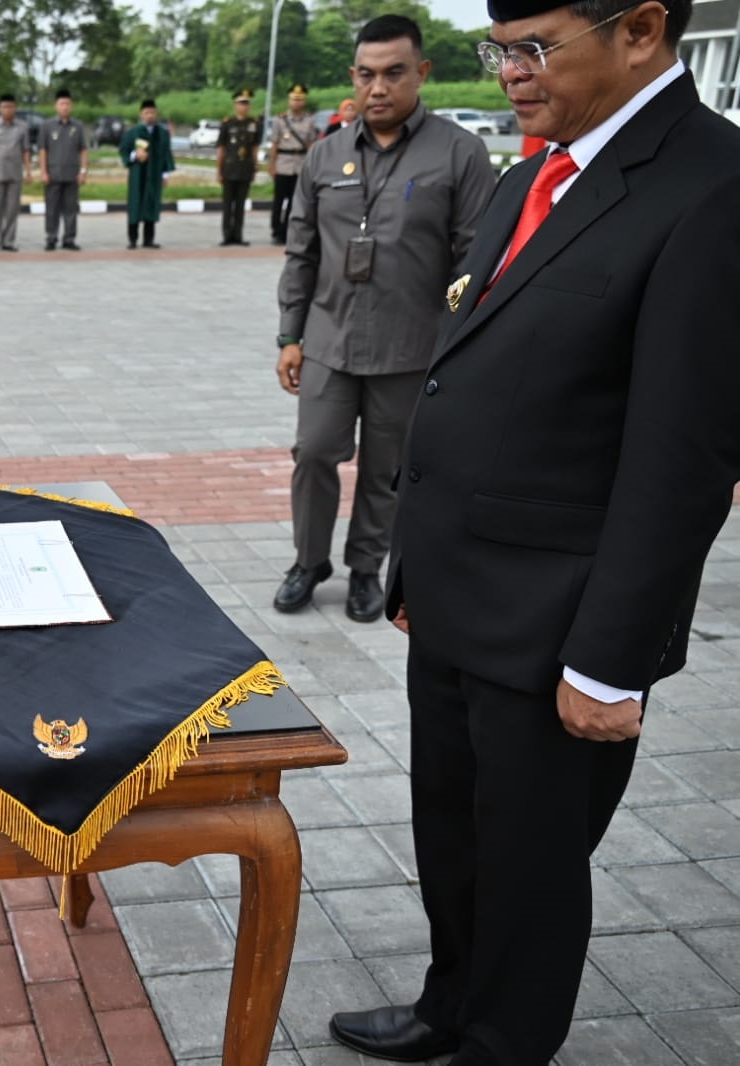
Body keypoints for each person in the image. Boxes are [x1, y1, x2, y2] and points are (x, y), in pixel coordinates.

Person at [326, 1, 740, 1063]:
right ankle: (450, 1002)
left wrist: (612, 661)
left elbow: (683, 455)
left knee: (530, 863)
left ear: (642, 29)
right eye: (497, 49)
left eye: (535, 48)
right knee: (454, 833)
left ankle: (503, 1042)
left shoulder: (711, 186)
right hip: (461, 594)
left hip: (563, 616)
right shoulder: (533, 176)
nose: (510, 72)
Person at [273, 15, 493, 622]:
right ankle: (308, 561)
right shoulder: (324, 156)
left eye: (394, 73)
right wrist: (290, 334)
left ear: (421, 73)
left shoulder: (459, 152)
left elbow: (471, 265)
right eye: (367, 75)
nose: (379, 88)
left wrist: (453, 344)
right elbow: (302, 253)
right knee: (314, 452)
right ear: (352, 77)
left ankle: (367, 569)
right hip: (328, 340)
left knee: (387, 470)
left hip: (412, 347)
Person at [118, 99, 173, 249]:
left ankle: (149, 239)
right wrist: (135, 155)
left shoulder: (162, 133)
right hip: (137, 174)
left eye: (152, 113)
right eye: (146, 113)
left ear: (156, 113)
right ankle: (132, 239)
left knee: (151, 205)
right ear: (141, 114)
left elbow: (166, 154)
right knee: (135, 205)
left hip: (154, 174)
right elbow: (123, 150)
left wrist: (165, 174)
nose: (150, 116)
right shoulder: (133, 132)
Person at [0, 93, 31, 253]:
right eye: (4, 107)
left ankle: (9, 241)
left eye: (10, 106)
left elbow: (26, 151)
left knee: (12, 210)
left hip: (15, 174)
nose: (7, 110)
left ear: (15, 108)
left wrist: (29, 171)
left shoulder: (22, 127)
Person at [40, 88, 88, 251]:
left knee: (71, 209)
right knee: (51, 209)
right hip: (53, 174)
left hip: (72, 175)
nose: (65, 107)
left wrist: (83, 171)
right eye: (62, 103)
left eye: (67, 104)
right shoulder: (47, 126)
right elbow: (42, 151)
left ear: (71, 106)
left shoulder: (78, 127)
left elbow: (83, 150)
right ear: (56, 106)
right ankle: (51, 237)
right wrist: (43, 172)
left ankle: (69, 238)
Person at [268, 84, 317, 244]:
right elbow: (274, 144)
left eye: (300, 99)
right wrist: (272, 165)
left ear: (304, 101)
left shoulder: (309, 120)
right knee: (279, 200)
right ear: (289, 101)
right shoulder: (280, 120)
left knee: (295, 201)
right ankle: (276, 229)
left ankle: (286, 230)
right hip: (283, 164)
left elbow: (311, 144)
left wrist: (312, 166)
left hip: (300, 165)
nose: (297, 102)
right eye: (294, 99)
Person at [216, 89, 261, 247]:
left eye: (247, 103)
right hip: (229, 168)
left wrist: (255, 166)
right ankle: (227, 235)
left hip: (245, 168)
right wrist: (219, 170)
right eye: (241, 103)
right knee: (228, 205)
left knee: (241, 205)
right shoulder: (228, 123)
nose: (244, 106)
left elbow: (255, 148)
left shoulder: (254, 124)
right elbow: (221, 148)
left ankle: (238, 235)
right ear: (235, 105)